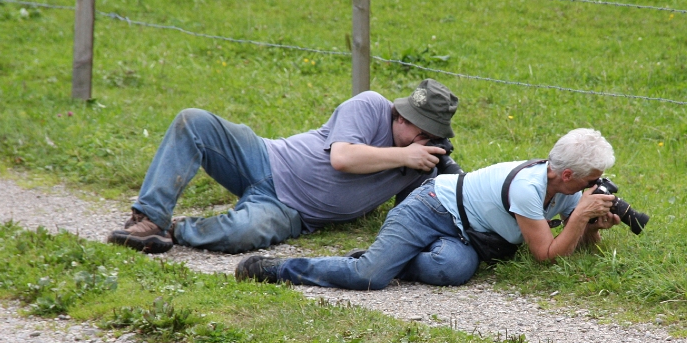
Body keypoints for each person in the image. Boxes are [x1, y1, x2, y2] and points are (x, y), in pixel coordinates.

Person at [234, 128, 622, 289]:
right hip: (431, 206)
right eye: (592, 179)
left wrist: (591, 226)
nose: (596, 186)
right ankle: (279, 268)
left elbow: (577, 252)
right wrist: (581, 216)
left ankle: (390, 257)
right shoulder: (528, 186)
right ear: (568, 173)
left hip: (466, 233)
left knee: (450, 269)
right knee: (370, 277)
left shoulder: (570, 191)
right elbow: (547, 255)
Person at [107, 79, 460, 254]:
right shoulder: (371, 106)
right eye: (413, 124)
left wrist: (428, 170)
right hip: (265, 157)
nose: (418, 137)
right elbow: (342, 158)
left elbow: (413, 213)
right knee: (194, 122)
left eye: (429, 135)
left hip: (292, 211)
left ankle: (172, 232)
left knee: (244, 233)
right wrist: (404, 157)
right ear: (399, 112)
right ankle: (150, 217)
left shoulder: (420, 161)